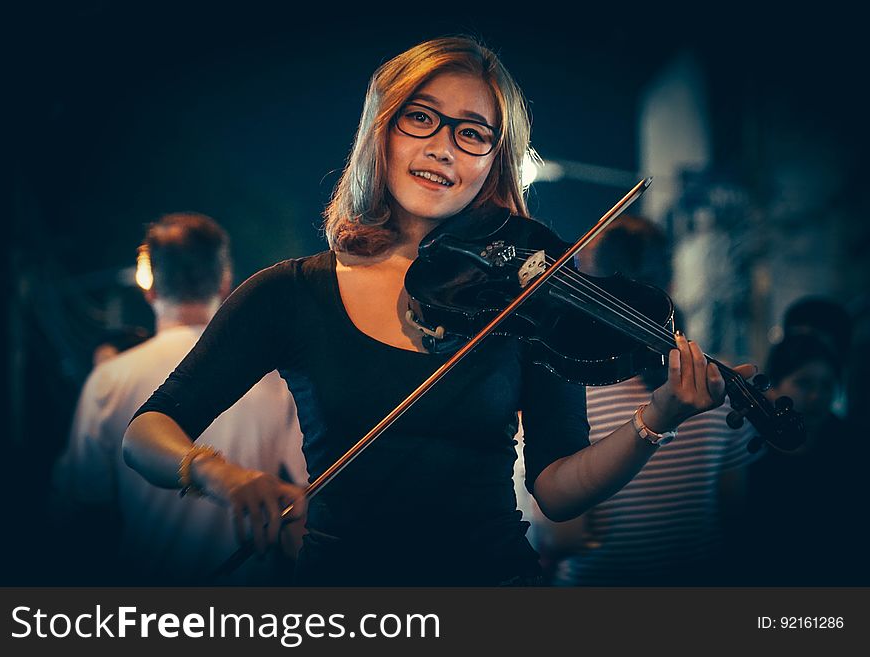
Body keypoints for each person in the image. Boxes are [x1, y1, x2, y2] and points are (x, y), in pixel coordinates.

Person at [122, 36, 756, 586]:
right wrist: (218, 475)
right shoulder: (290, 292)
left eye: (472, 132)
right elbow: (145, 433)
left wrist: (657, 417)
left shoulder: (528, 294)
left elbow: (558, 490)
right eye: (420, 118)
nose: (445, 147)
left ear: (494, 161)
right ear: (382, 132)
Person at [53, 212, 307, 585]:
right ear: (225, 282)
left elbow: (81, 498)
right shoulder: (275, 379)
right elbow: (304, 490)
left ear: (149, 286)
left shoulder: (109, 379)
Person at [519, 215, 760, 586]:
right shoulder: (717, 384)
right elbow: (736, 520)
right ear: (672, 281)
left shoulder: (575, 387)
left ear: (594, 287)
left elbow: (564, 537)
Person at [742, 332, 867, 585]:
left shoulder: (855, 444)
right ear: (773, 387)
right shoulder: (749, 448)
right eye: (804, 384)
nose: (816, 397)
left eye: (827, 386)